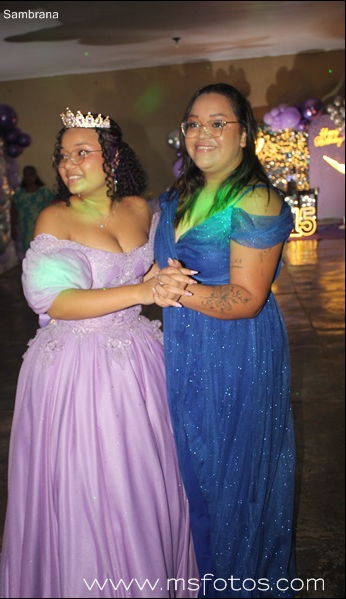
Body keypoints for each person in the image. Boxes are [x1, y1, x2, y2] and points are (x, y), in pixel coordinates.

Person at [0, 109, 198, 598]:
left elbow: (144, 272)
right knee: (91, 481)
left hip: (137, 359)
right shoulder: (55, 217)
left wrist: (163, 279)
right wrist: (142, 292)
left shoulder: (140, 209)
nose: (68, 165)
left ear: (112, 158)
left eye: (82, 153)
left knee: (142, 476)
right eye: (62, 156)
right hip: (76, 367)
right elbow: (54, 301)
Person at [152, 84, 296, 598]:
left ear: (243, 133)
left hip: (237, 349)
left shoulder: (256, 198)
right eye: (193, 123)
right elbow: (157, 272)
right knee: (197, 470)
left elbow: (246, 298)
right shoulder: (176, 198)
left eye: (217, 123)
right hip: (185, 345)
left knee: (236, 477)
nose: (202, 133)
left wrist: (173, 289)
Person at [11, 165, 54, 259]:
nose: (28, 177)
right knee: (28, 253)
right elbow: (13, 211)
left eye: (30, 174)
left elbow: (52, 207)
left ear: (35, 175)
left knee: (43, 252)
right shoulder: (19, 195)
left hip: (42, 227)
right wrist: (13, 227)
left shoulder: (44, 192)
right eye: (26, 175)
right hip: (25, 229)